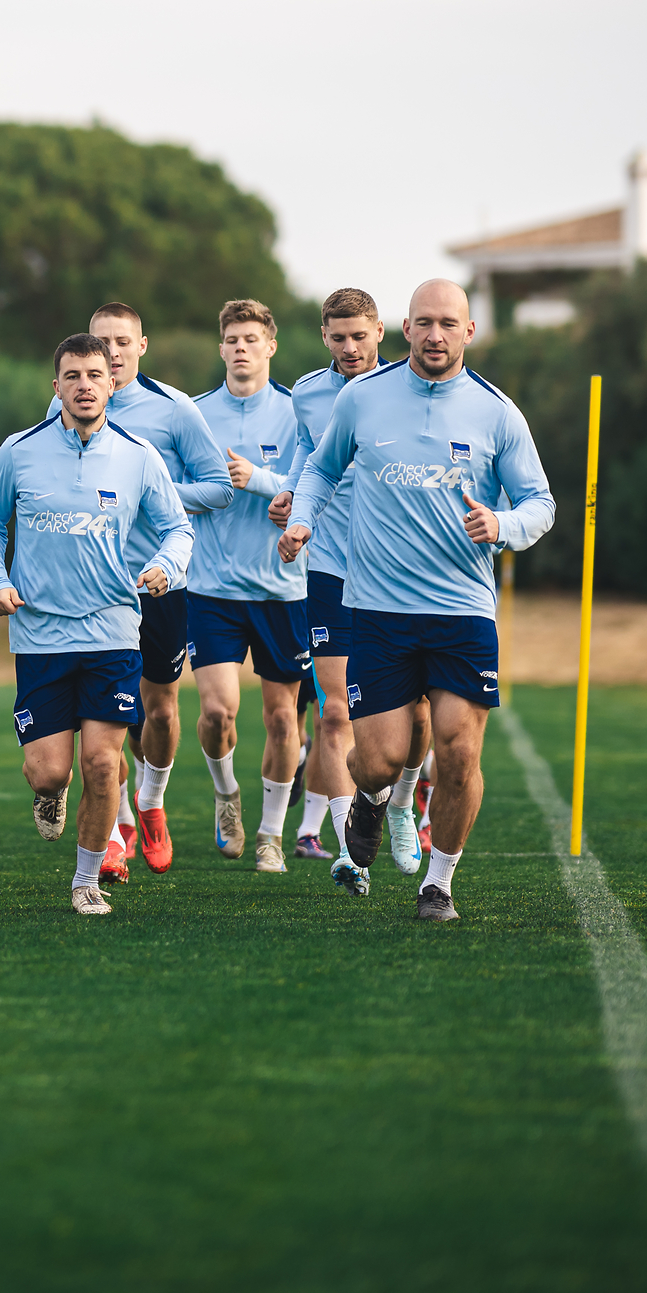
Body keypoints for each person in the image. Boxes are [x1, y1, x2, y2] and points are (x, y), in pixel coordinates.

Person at [289, 281, 553, 922]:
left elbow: (540, 503)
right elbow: (321, 469)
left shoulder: (498, 413)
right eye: (425, 322)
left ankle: (439, 882)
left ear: (469, 332)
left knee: (460, 751)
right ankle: (372, 802)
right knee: (377, 760)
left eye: (449, 324)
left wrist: (503, 526)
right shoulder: (362, 399)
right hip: (377, 611)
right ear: (406, 328)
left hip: (463, 611)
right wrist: (302, 519)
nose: (436, 335)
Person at [0, 334, 195, 915]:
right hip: (40, 636)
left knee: (103, 763)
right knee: (49, 772)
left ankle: (86, 880)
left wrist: (164, 566)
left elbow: (179, 528)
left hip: (113, 634)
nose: (83, 386)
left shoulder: (138, 456)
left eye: (94, 375)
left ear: (111, 383)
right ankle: (49, 798)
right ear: (56, 387)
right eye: (71, 376)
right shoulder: (17, 452)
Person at [242, 287, 431, 887]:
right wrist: (292, 503)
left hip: (398, 568)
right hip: (327, 567)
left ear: (382, 332)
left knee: (417, 715)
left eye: (359, 336)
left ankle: (398, 804)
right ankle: (353, 849)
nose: (349, 348)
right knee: (334, 712)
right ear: (324, 336)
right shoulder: (306, 395)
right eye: (338, 337)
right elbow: (308, 462)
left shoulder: (407, 391)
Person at [49, 302, 235, 875]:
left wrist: (151, 491)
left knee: (157, 711)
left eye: (121, 342)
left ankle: (152, 802)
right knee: (103, 721)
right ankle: (119, 827)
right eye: (101, 342)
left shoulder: (175, 410)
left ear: (141, 346)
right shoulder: (63, 406)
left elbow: (220, 487)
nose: (111, 352)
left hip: (159, 586)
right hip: (92, 593)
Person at [186, 301, 318, 869]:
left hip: (282, 588)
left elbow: (317, 480)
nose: (241, 347)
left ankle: (269, 834)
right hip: (210, 586)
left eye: (251, 339)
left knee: (284, 719)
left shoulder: (298, 413)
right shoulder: (190, 415)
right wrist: (213, 486)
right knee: (218, 713)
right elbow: (164, 487)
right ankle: (226, 795)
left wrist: (265, 485)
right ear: (220, 349)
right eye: (232, 339)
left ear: (271, 347)